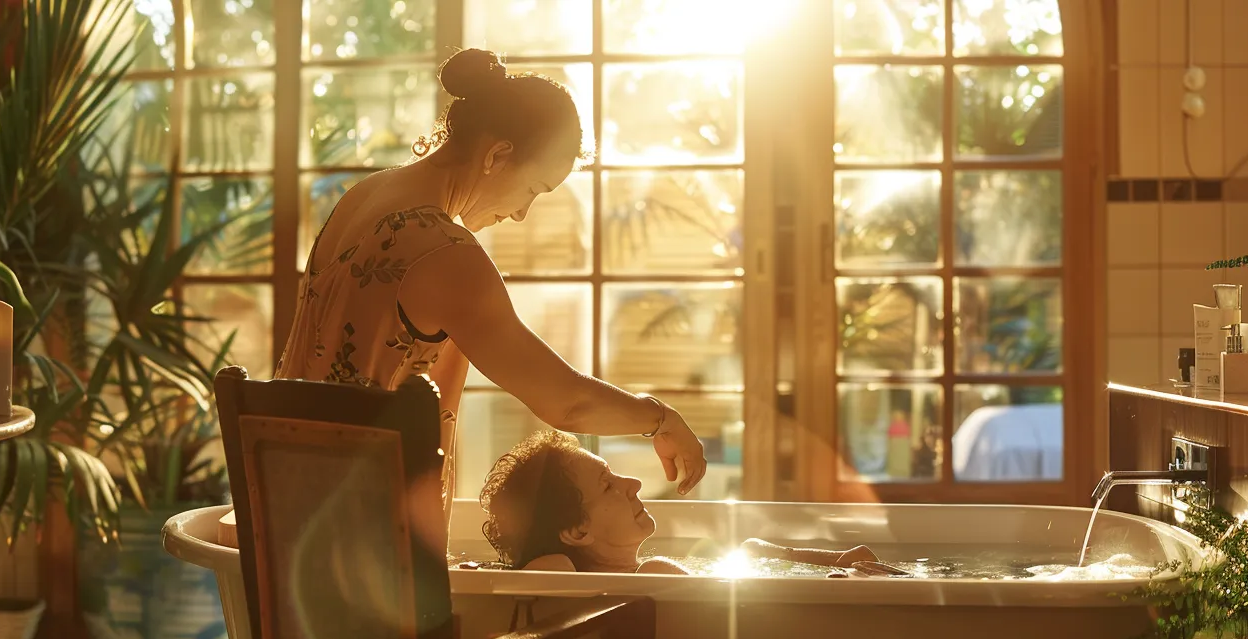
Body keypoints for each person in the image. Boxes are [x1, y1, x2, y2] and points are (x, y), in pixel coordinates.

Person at [275, 49, 709, 508]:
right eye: (533, 190)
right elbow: (565, 402)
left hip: (285, 496)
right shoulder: (442, 250)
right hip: (367, 526)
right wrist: (661, 418)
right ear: (498, 155)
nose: (522, 213)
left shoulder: (364, 196)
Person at [480, 431, 900, 575]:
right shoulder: (652, 572)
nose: (634, 482)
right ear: (575, 531)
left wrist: (835, 562)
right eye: (608, 485)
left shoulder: (629, 574)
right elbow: (545, 568)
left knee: (750, 549)